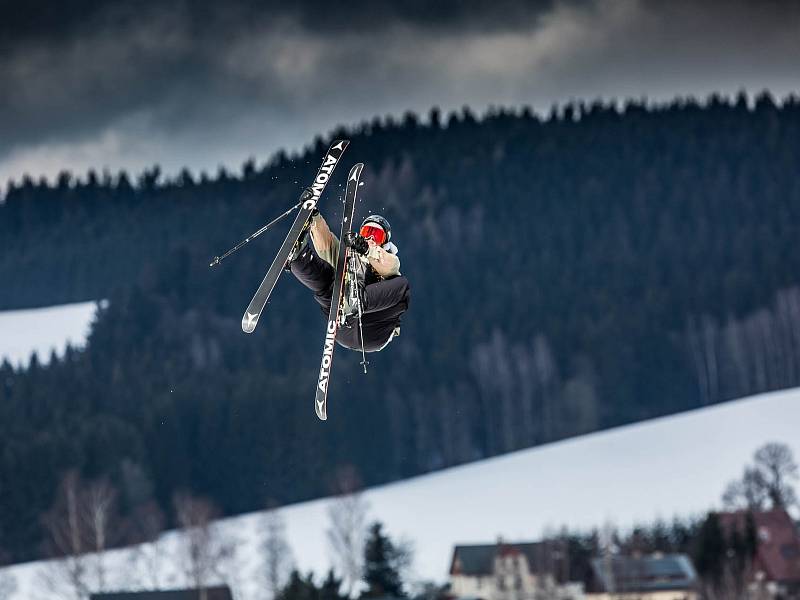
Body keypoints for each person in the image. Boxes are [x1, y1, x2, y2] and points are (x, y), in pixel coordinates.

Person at [287, 211, 410, 352]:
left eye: (376, 235)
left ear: (385, 242)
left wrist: (367, 250)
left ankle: (358, 301)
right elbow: (327, 244)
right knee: (331, 279)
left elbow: (390, 266)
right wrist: (314, 217)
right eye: (366, 232)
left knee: (402, 285)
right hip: (342, 325)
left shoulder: (388, 260)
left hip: (373, 331)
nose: (370, 238)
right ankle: (298, 259)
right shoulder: (349, 255)